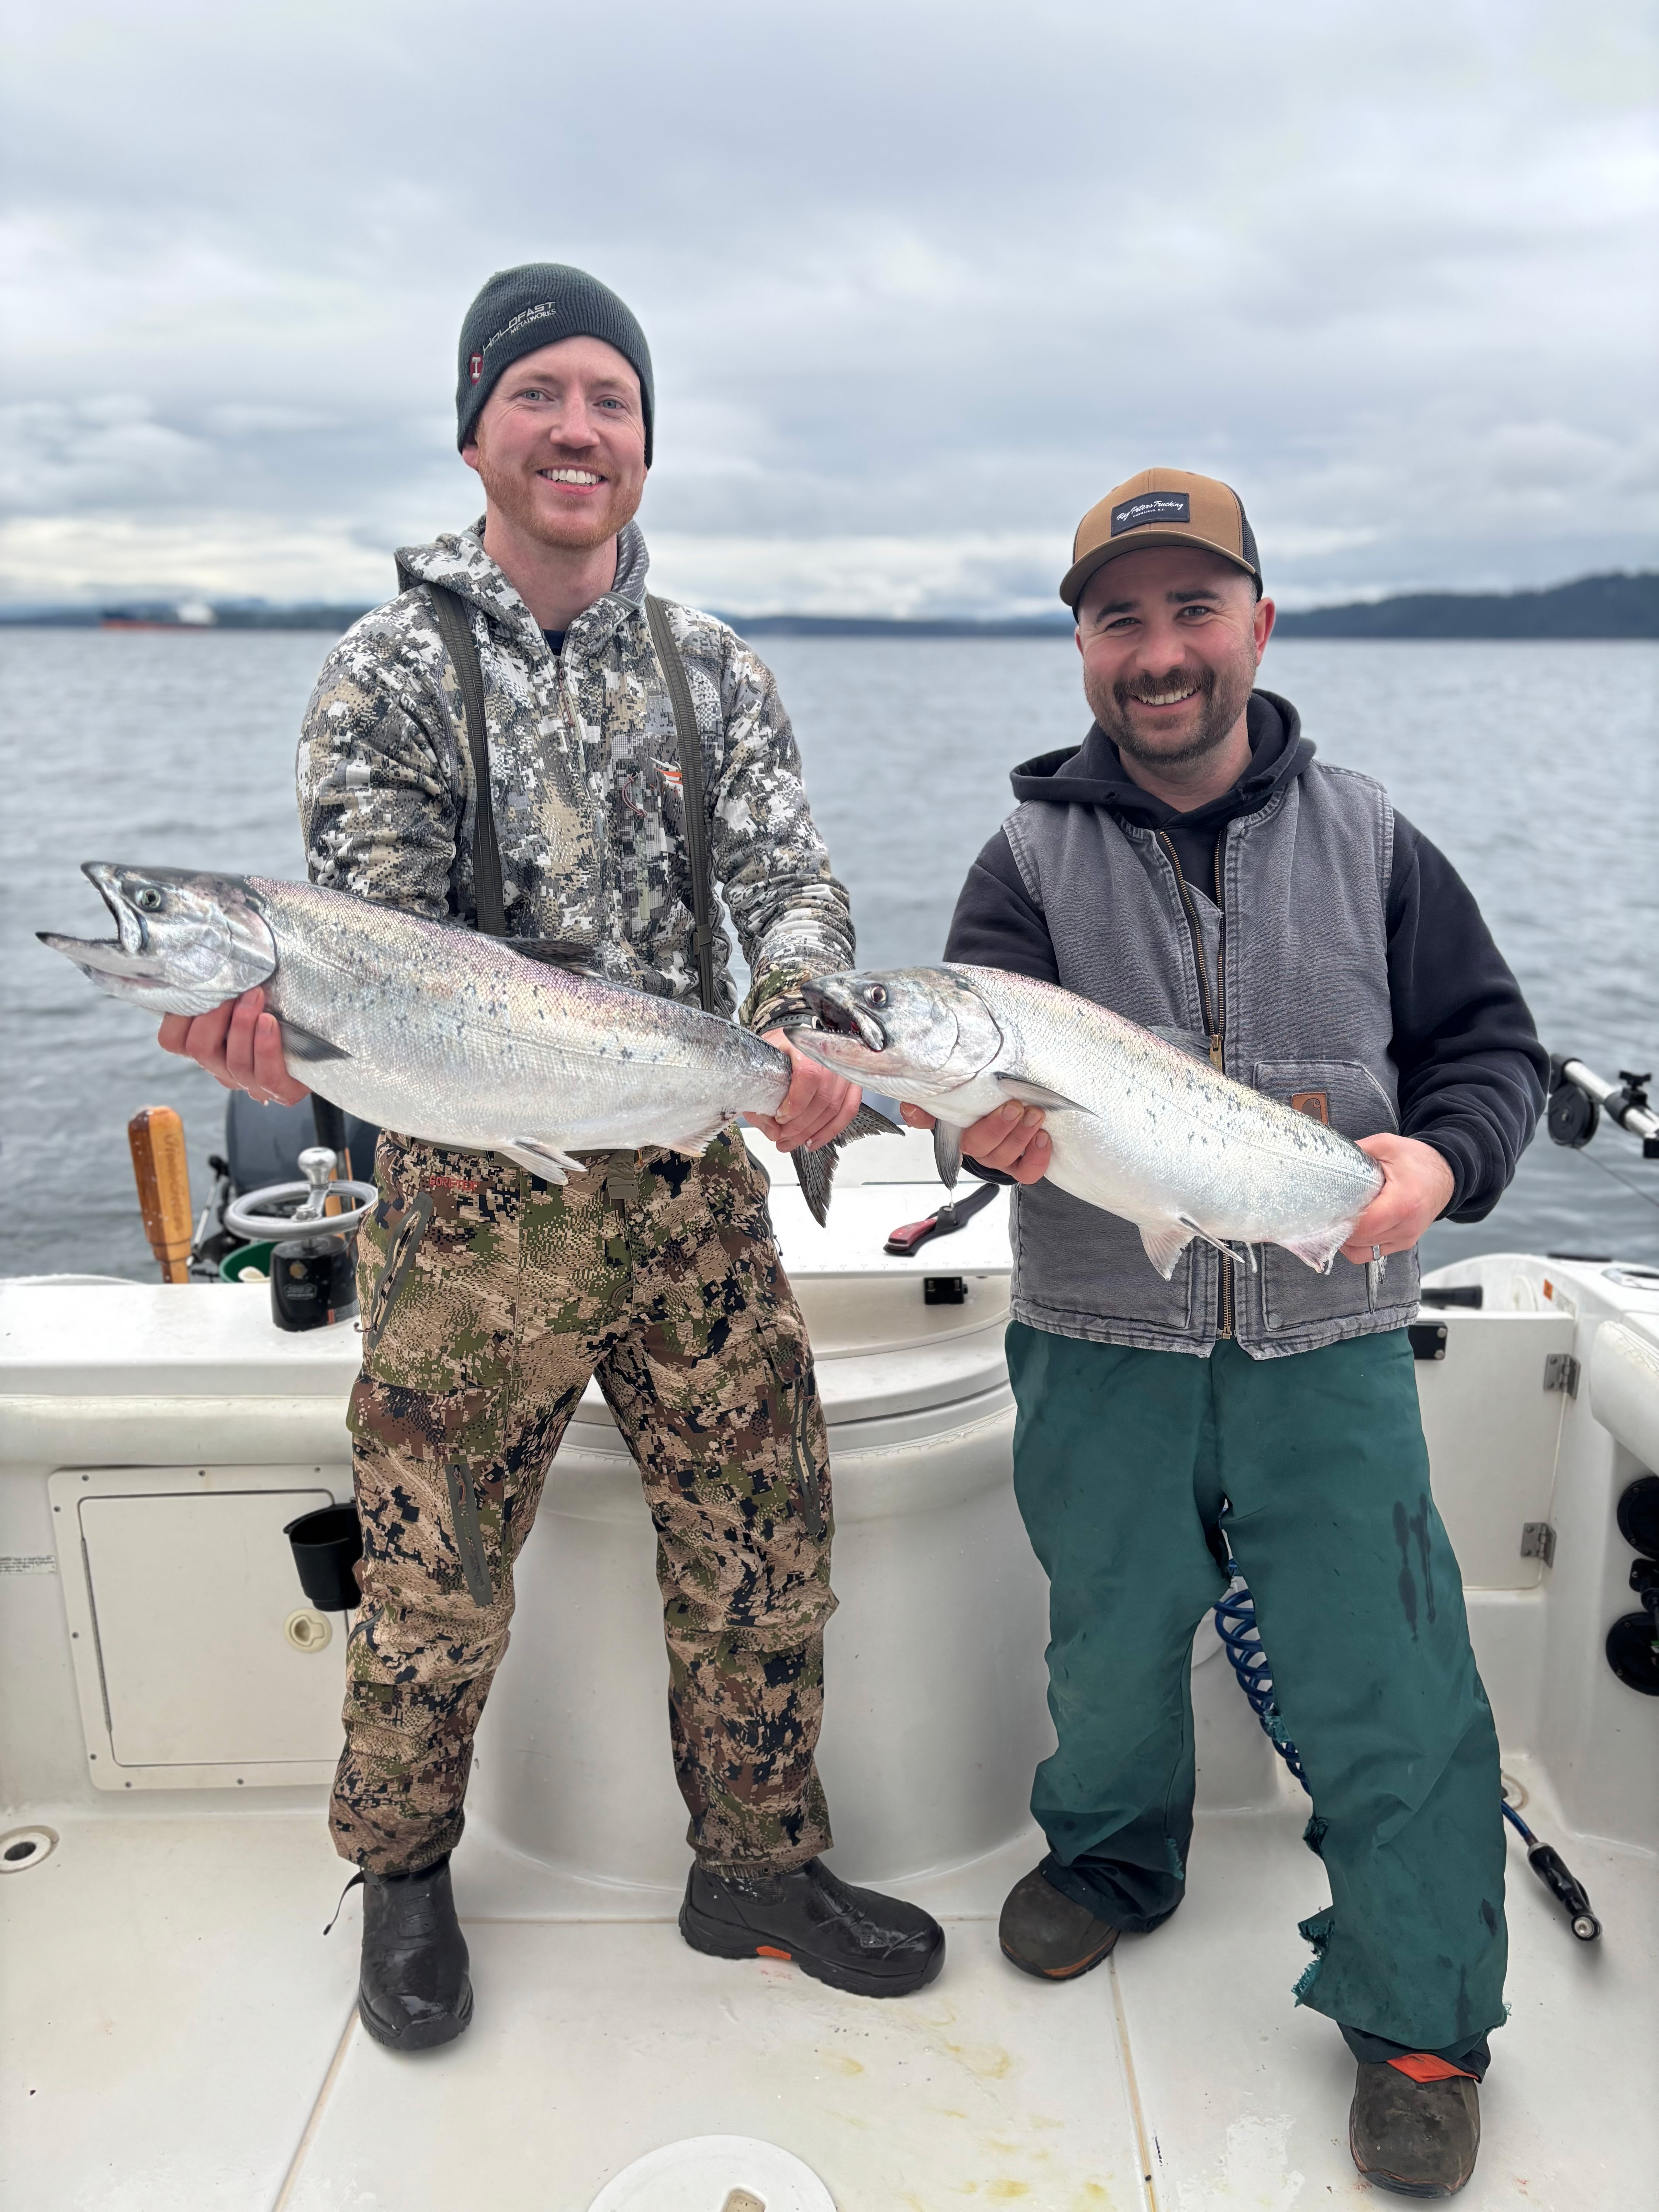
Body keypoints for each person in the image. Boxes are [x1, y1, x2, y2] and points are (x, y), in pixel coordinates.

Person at [160, 262, 945, 2049]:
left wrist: (807, 1028)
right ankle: (408, 1875)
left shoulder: (715, 671)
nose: (578, 427)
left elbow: (787, 884)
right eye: (542, 394)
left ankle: (754, 1863)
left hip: (689, 1193)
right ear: (476, 428)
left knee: (764, 1543)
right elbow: (379, 934)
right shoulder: (387, 672)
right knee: (429, 1572)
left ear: (648, 448)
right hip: (471, 1202)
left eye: (613, 398)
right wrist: (294, 1028)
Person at [903, 469, 1546, 2198]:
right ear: (1084, 650)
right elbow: (959, 1086)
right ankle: (1112, 1860)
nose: (1161, 650)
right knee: (1107, 1648)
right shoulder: (1022, 864)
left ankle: (1420, 2015)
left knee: (1389, 1679)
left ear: (1260, 622)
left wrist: (1442, 1155)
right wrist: (973, 1129)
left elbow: (1497, 1058)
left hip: (1327, 1338)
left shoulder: (1383, 842)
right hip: (1101, 1338)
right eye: (1122, 618)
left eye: (1196, 610)